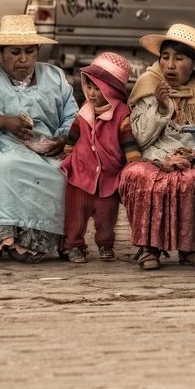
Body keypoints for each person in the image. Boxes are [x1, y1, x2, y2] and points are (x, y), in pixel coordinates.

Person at [0, 14, 77, 263]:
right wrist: (2, 121)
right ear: (0, 53)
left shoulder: (55, 76)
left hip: (46, 147)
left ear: (38, 51)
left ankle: (35, 241)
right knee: (4, 167)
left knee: (60, 174)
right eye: (15, 52)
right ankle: (5, 237)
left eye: (29, 52)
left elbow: (72, 114)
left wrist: (63, 138)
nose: (23, 59)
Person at [119, 24, 195, 270]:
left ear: (194, 64)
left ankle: (188, 247)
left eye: (179, 59)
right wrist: (161, 106)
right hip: (154, 157)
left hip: (193, 159)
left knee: (194, 180)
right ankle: (148, 248)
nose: (169, 65)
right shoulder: (149, 84)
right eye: (165, 57)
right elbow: (140, 138)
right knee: (139, 175)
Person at [59, 52, 141, 263]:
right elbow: (74, 134)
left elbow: (127, 140)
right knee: (75, 215)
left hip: (108, 177)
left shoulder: (122, 114)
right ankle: (74, 245)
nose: (93, 93)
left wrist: (133, 160)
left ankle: (105, 244)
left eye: (99, 88)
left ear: (112, 91)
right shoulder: (85, 110)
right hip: (81, 173)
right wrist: (68, 151)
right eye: (90, 87)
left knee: (106, 217)